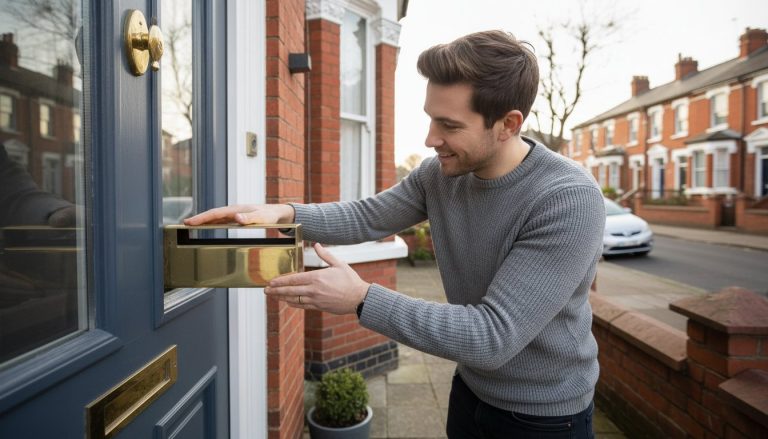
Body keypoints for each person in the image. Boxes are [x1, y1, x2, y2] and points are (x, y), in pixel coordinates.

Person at [186, 30, 605, 438]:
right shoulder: (440, 175)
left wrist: (361, 298)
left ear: (508, 123)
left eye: (449, 125)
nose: (430, 139)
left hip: (544, 417)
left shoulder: (566, 199)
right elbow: (366, 216)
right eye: (430, 119)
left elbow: (491, 336)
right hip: (470, 390)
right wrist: (282, 213)